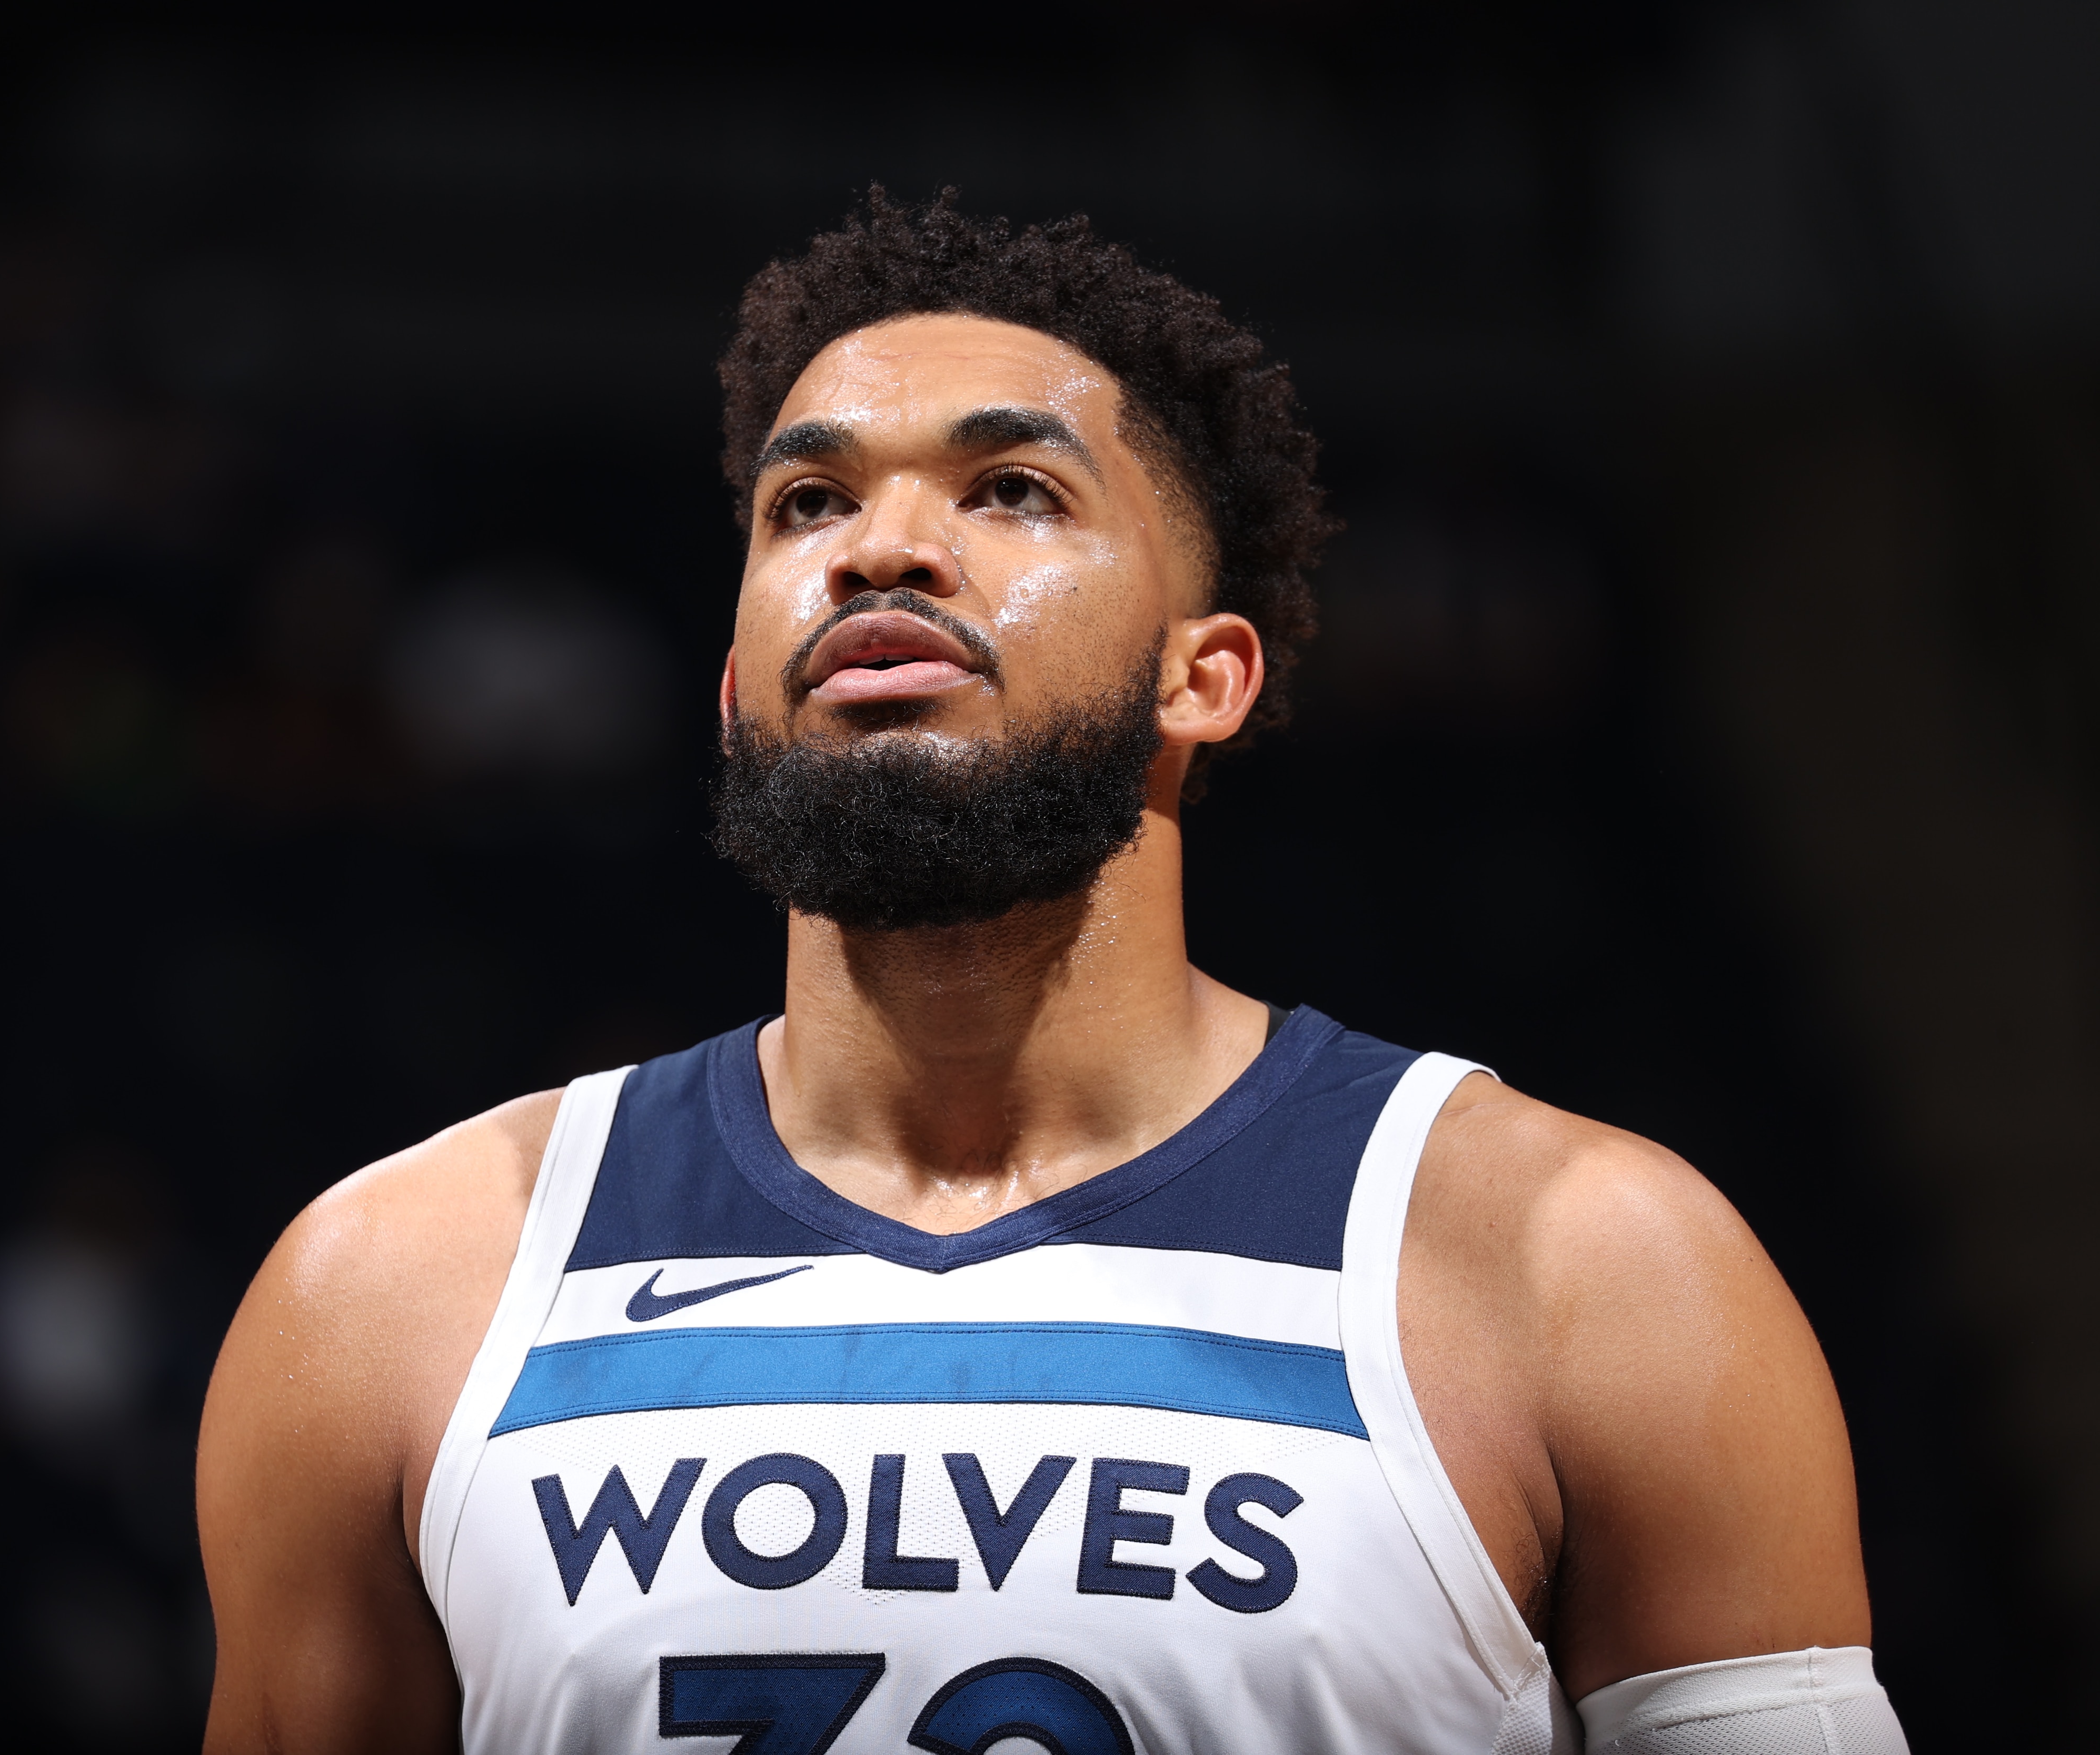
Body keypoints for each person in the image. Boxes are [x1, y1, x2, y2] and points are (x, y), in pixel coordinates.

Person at [195, 193, 1905, 1755]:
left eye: (1010, 490)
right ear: (735, 688)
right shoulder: (390, 1294)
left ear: (1206, 679)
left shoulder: (1590, 1268)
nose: (882, 550)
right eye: (811, 501)